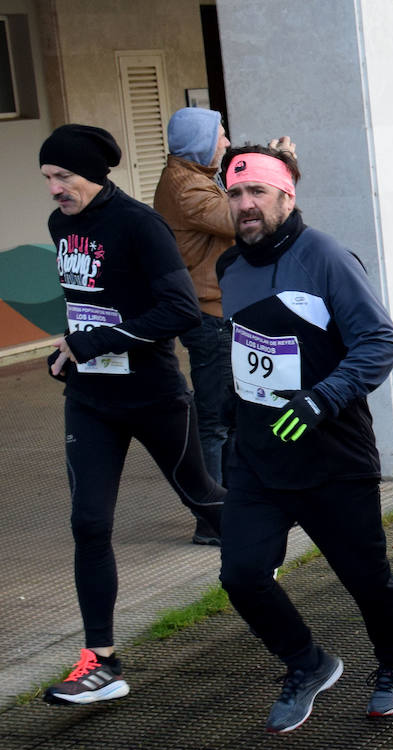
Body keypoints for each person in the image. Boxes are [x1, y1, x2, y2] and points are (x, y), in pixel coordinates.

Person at [216, 144, 393, 733]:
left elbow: (379, 342)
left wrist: (320, 398)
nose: (246, 204)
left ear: (287, 195)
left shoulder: (325, 256)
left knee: (365, 578)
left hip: (333, 454)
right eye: (235, 193)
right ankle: (307, 663)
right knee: (241, 575)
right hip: (259, 455)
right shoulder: (230, 268)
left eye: (257, 192)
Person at [39, 124, 225, 705]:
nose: (55, 190)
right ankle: (101, 661)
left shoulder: (140, 226)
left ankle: (270, 536)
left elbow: (179, 311)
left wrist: (94, 343)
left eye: (63, 177)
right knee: (89, 524)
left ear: (94, 173)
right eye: (47, 178)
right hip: (91, 401)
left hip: (152, 396)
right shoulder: (60, 226)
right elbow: (88, 304)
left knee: (203, 496)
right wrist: (68, 349)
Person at [151, 107, 235, 501]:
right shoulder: (187, 187)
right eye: (220, 135)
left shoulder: (195, 177)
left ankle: (233, 500)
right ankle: (214, 514)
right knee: (215, 419)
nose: (227, 142)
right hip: (209, 314)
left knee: (228, 415)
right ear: (202, 142)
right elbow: (243, 219)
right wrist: (277, 170)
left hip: (216, 311)